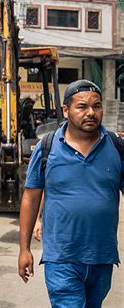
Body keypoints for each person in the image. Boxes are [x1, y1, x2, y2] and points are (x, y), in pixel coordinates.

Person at [18, 80, 123, 307]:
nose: (91, 113)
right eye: (82, 106)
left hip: (102, 255)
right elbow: (31, 197)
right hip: (61, 256)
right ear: (66, 111)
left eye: (96, 106)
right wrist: (24, 249)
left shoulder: (115, 146)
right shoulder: (47, 147)